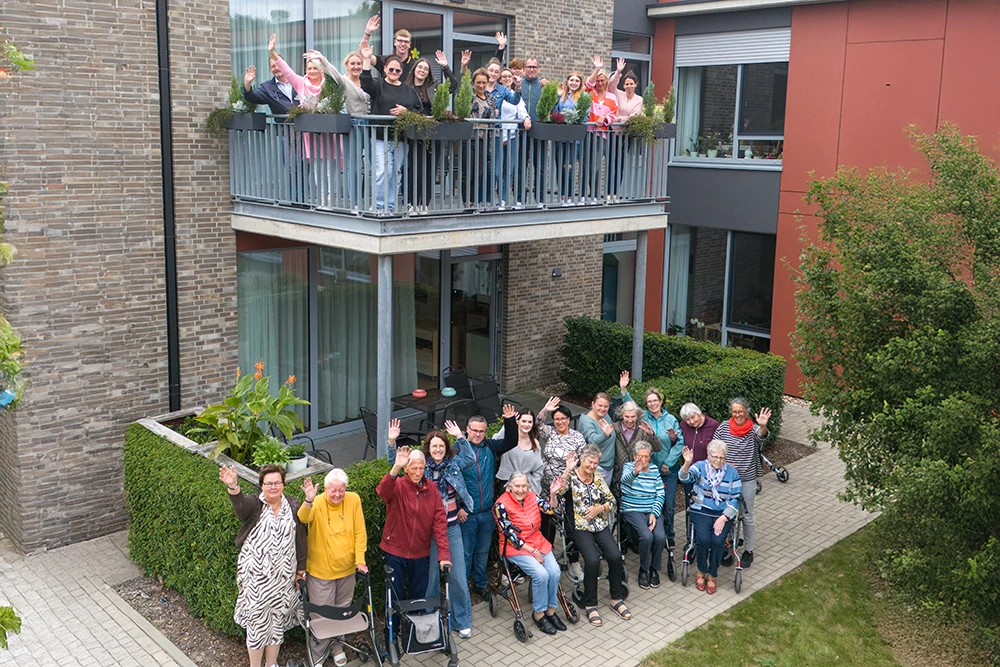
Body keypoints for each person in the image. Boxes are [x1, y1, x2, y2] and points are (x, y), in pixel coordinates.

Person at [220, 464, 306, 667]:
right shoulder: (255, 505)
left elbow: (301, 539)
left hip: (283, 578)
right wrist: (233, 486)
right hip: (256, 579)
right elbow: (241, 509)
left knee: (276, 622)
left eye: (277, 483)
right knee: (258, 625)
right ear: (261, 485)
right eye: (268, 484)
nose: (273, 487)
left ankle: (272, 664)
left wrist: (300, 571)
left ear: (283, 484)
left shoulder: (293, 506)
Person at [299, 469, 367, 667]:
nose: (337, 494)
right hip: (321, 572)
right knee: (321, 616)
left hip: (347, 570)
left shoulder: (354, 499)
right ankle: (318, 654)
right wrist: (309, 499)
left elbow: (360, 532)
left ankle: (337, 647)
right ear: (325, 488)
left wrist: (360, 560)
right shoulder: (317, 502)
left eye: (341, 490)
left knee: (342, 611)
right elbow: (303, 518)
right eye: (333, 490)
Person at [454, 406, 518, 599]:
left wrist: (509, 420)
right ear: (467, 429)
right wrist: (458, 507)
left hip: (487, 512)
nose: (478, 434)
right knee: (465, 554)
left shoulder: (490, 446)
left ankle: (480, 585)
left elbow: (511, 441)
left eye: (481, 431)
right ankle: (463, 588)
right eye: (474, 430)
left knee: (482, 552)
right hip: (466, 514)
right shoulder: (457, 450)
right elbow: (450, 482)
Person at [493, 472, 568, 636]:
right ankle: (539, 614)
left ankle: (550, 611)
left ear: (528, 486)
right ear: (509, 487)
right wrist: (533, 551)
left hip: (537, 541)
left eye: (524, 486)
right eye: (517, 486)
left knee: (554, 572)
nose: (521, 490)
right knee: (541, 574)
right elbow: (510, 536)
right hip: (515, 547)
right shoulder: (501, 505)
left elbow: (550, 510)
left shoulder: (532, 496)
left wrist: (553, 495)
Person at [377, 440, 451, 607]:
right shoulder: (397, 485)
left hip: (420, 553)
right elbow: (382, 492)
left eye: (421, 468)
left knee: (417, 600)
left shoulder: (431, 489)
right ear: (406, 469)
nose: (418, 473)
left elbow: (439, 523)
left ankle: (415, 623)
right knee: (394, 599)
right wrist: (396, 467)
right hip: (395, 551)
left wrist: (444, 555)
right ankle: (393, 625)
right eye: (414, 468)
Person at [619, 371, 684, 550]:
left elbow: (680, 443)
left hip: (667, 471)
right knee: (649, 504)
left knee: (668, 505)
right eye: (649, 401)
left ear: (661, 402)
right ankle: (649, 534)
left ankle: (669, 536)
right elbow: (630, 407)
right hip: (647, 471)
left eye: (655, 400)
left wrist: (668, 463)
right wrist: (623, 389)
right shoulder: (643, 418)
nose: (652, 404)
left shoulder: (670, 419)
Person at [421, 426, 475, 639]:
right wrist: (390, 443)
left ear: (446, 448)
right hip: (429, 532)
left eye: (441, 446)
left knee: (458, 576)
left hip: (451, 528)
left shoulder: (453, 464)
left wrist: (460, 437)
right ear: (428, 448)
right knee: (431, 578)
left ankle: (461, 621)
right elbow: (394, 465)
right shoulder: (421, 467)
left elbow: (469, 458)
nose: (438, 450)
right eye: (434, 446)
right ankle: (430, 621)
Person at [568, 444, 629, 626]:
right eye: (590, 462)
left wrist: (599, 508)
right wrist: (566, 470)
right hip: (580, 527)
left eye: (596, 463)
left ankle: (616, 598)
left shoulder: (598, 478)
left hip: (600, 524)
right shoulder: (571, 478)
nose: (592, 466)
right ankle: (590, 604)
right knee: (592, 560)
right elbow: (557, 492)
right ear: (581, 459)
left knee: (615, 556)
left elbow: (612, 501)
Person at [358, 43, 422, 214]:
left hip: (400, 138)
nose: (394, 72)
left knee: (395, 173)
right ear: (385, 69)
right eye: (391, 69)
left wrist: (406, 111)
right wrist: (366, 59)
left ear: (401, 72)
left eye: (397, 70)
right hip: (380, 137)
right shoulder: (378, 85)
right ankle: (379, 206)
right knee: (382, 171)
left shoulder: (408, 90)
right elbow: (365, 83)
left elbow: (419, 111)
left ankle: (390, 207)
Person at [402, 52, 465, 214]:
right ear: (414, 69)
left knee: (430, 169)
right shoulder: (405, 87)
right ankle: (412, 203)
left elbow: (453, 85)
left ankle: (425, 204)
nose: (422, 70)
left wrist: (445, 67)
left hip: (433, 133)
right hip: (415, 133)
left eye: (426, 69)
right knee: (415, 169)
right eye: (420, 67)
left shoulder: (434, 87)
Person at [713, 398, 772, 569]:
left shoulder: (753, 429)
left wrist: (763, 426)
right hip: (726, 479)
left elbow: (762, 436)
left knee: (746, 515)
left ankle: (749, 550)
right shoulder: (724, 427)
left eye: (741, 411)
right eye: (734, 411)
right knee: (726, 512)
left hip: (747, 479)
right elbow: (714, 447)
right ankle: (727, 543)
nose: (738, 414)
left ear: (747, 411)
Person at [678, 440, 742, 594]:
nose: (718, 460)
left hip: (722, 513)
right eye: (715, 457)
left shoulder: (732, 473)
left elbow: (736, 498)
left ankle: (713, 573)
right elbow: (684, 478)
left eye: (722, 457)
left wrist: (724, 517)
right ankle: (701, 570)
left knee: (718, 541)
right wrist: (687, 463)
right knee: (703, 539)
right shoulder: (700, 467)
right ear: (708, 455)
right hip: (701, 510)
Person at [534, 397, 586, 580]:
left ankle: (573, 561)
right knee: (547, 524)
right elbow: (535, 425)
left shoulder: (577, 437)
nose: (560, 422)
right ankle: (547, 559)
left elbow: (583, 462)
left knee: (571, 525)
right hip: (547, 488)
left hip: (569, 488)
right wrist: (545, 410)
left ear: (569, 419)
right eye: (556, 419)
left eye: (563, 418)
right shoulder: (550, 433)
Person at [620, 442, 665, 590]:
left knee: (660, 537)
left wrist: (654, 513)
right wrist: (635, 472)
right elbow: (624, 483)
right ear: (634, 456)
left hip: (651, 509)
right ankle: (643, 570)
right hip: (633, 509)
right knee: (646, 536)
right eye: (640, 456)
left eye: (646, 456)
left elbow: (660, 494)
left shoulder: (654, 469)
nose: (643, 459)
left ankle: (654, 569)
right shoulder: (628, 467)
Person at [584, 54, 619, 201]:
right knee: (586, 164)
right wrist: (596, 69)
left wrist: (604, 118)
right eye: (598, 81)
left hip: (601, 135)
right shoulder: (590, 93)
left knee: (596, 166)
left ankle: (595, 194)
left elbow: (614, 114)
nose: (599, 83)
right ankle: (585, 194)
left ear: (606, 82)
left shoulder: (612, 97)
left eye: (602, 80)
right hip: (587, 133)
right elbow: (587, 84)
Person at [465, 68, 500, 207]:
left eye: (484, 82)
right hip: (469, 137)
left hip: (484, 139)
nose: (481, 85)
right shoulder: (469, 95)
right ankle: (467, 202)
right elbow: (463, 83)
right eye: (478, 82)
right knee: (468, 172)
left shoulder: (491, 99)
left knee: (479, 172)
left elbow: (491, 120)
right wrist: (464, 66)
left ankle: (476, 201)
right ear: (473, 82)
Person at [610, 400, 662, 493]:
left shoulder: (643, 428)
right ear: (622, 416)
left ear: (637, 416)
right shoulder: (614, 428)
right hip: (619, 474)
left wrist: (651, 434)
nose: (630, 420)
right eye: (626, 416)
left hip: (641, 475)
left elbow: (658, 448)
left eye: (633, 417)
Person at [497, 68, 531, 208]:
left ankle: (503, 200)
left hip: (512, 136)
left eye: (509, 76)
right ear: (500, 79)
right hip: (497, 135)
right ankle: (492, 197)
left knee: (508, 170)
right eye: (504, 76)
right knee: (496, 170)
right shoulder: (497, 94)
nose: (507, 78)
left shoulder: (515, 95)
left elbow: (521, 109)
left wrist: (526, 118)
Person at [303, 49, 371, 115]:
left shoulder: (367, 82)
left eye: (359, 64)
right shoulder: (344, 81)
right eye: (352, 64)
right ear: (346, 65)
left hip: (370, 121)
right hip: (353, 121)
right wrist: (323, 60)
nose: (356, 67)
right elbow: (334, 73)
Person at [553, 72, 585, 204]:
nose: (574, 83)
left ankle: (570, 196)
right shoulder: (562, 96)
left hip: (574, 137)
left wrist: (572, 120)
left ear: (580, 83)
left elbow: (585, 116)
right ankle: (562, 196)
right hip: (560, 136)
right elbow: (554, 112)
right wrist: (557, 95)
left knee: (569, 167)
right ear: (567, 81)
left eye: (577, 81)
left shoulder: (583, 96)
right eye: (571, 80)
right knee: (560, 166)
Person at [496, 407, 545, 494]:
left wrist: (534, 487)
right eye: (524, 421)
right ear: (517, 421)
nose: (526, 424)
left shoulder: (535, 443)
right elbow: (495, 440)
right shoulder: (508, 439)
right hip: (507, 484)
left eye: (530, 422)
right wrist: (509, 422)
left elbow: (538, 469)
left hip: (527, 486)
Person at [577, 391, 616, 486]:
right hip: (595, 466)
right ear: (593, 404)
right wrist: (605, 434)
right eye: (600, 405)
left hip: (609, 465)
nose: (602, 409)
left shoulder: (605, 415)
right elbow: (592, 441)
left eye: (606, 406)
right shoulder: (586, 421)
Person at [362, 15, 416, 80]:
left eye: (406, 41)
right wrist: (367, 32)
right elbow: (363, 56)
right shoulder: (385, 60)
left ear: (410, 44)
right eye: (400, 41)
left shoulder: (415, 65)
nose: (403, 44)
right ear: (395, 42)